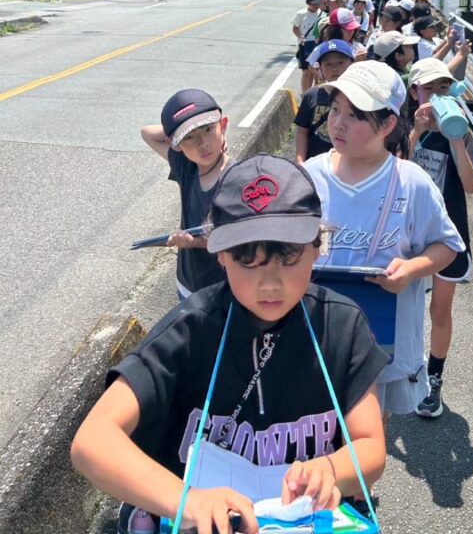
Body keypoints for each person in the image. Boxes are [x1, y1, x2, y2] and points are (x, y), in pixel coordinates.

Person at [71, 155, 388, 534]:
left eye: (288, 258)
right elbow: (92, 441)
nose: (270, 283)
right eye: (247, 260)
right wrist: (185, 500)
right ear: (221, 256)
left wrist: (332, 468)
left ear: (317, 246)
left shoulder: (341, 325)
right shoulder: (189, 330)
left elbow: (370, 445)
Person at [304, 61, 464, 416]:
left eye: (355, 115)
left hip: (384, 336)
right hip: (315, 328)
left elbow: (447, 247)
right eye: (335, 109)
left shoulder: (412, 182)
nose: (338, 123)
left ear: (388, 124)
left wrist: (411, 269)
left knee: (372, 424)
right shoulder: (308, 176)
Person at [406, 59, 473, 419]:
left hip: (448, 232)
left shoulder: (461, 131)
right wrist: (416, 131)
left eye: (443, 87)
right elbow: (393, 168)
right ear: (414, 92)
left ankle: (434, 378)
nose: (436, 94)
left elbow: (471, 186)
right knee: (404, 306)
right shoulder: (402, 125)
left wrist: (456, 142)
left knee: (439, 309)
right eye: (428, 88)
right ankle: (404, 368)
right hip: (407, 231)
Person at [140, 89, 229, 300]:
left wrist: (194, 242)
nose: (202, 143)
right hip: (186, 285)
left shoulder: (238, 179)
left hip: (222, 291)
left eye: (208, 129)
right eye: (189, 137)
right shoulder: (187, 166)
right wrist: (177, 131)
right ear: (175, 144)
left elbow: (241, 240)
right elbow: (147, 133)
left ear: (223, 125)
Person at [294, 39, 355, 164]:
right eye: (328, 64)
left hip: (350, 164)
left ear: (352, 64)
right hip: (315, 164)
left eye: (341, 62)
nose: (335, 68)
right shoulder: (311, 95)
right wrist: (300, 161)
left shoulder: (359, 97)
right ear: (320, 69)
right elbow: (302, 131)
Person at [292, 0, 324, 93]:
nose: (315, 6)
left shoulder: (322, 14)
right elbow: (295, 28)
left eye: (317, 3)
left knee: (315, 72)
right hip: (305, 45)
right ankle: (305, 94)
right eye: (313, 3)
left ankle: (312, 93)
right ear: (307, 2)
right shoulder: (301, 14)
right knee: (306, 72)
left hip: (317, 45)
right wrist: (300, 36)